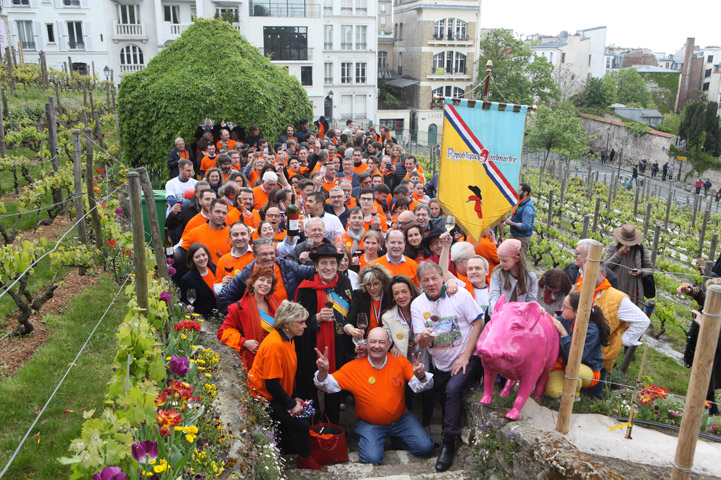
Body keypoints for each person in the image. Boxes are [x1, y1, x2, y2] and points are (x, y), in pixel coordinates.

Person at [314, 328, 433, 464]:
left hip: (401, 419)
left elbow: (420, 385)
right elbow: (326, 385)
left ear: (389, 344)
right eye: (373, 342)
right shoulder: (354, 367)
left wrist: (421, 375)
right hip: (370, 424)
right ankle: (371, 439)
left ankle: (398, 440)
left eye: (381, 342)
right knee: (371, 458)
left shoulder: (399, 361)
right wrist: (323, 372)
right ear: (366, 344)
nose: (377, 346)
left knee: (426, 447)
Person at [412, 262, 484, 472]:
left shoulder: (459, 295)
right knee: (440, 394)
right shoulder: (418, 304)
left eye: (434, 278)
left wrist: (465, 357)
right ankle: (447, 431)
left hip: (468, 357)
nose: (431, 283)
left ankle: (448, 444)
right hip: (440, 362)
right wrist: (424, 337)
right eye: (425, 280)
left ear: (442, 277)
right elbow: (421, 341)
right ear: (420, 283)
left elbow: (478, 323)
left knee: (453, 390)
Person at [246, 301, 323, 470]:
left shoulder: (289, 339)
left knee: (306, 412)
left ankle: (295, 450)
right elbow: (272, 383)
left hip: (275, 394)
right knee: (301, 422)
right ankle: (305, 459)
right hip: (263, 399)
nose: (304, 326)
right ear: (287, 324)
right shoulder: (275, 345)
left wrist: (294, 396)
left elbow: (287, 374)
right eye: (300, 322)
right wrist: (291, 404)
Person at [294, 244, 353, 424]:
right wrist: (316, 318)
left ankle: (333, 428)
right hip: (312, 346)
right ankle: (312, 429)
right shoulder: (306, 288)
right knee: (310, 390)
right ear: (316, 266)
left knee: (334, 389)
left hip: (338, 345)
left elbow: (350, 311)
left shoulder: (344, 282)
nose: (329, 267)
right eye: (324, 263)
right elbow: (296, 321)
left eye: (333, 263)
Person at [574, 260, 650, 379]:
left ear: (603, 275)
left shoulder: (617, 298)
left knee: (592, 392)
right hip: (574, 348)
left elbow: (643, 321)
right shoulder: (577, 288)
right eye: (585, 272)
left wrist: (621, 340)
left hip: (599, 356)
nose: (587, 276)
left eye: (593, 273)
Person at [382, 275, 435, 430]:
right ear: (392, 297)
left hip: (426, 355)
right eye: (396, 293)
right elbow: (385, 336)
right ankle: (408, 428)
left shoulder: (425, 308)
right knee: (405, 392)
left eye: (404, 291)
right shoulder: (388, 316)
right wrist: (391, 345)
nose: (401, 296)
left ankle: (427, 426)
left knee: (428, 389)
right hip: (403, 362)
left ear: (411, 292)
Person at [217, 237, 315, 311]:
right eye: (264, 254)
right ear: (254, 256)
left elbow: (310, 271)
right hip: (262, 327)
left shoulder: (285, 266)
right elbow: (223, 298)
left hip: (288, 323)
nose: (269, 257)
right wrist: (243, 315)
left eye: (271, 253)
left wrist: (325, 264)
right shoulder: (246, 273)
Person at [545, 291, 610, 399]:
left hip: (586, 369)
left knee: (574, 369)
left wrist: (564, 334)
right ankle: (565, 390)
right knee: (553, 392)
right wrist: (544, 315)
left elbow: (577, 357)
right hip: (563, 366)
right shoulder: (566, 318)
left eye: (565, 307)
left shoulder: (591, 330)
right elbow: (551, 326)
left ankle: (575, 395)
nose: (561, 310)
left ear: (577, 311)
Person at [217, 266, 281, 369]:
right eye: (261, 279)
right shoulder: (237, 308)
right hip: (254, 361)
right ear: (253, 282)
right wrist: (244, 342)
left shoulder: (274, 299)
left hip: (276, 356)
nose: (265, 284)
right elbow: (222, 333)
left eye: (269, 282)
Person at [679, 279, 721, 415]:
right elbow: (708, 300)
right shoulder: (716, 301)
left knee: (707, 379)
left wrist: (705, 325)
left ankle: (703, 413)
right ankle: (707, 412)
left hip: (716, 349)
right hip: (710, 346)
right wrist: (693, 292)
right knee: (704, 379)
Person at [604, 224, 653, 307]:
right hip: (615, 287)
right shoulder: (613, 247)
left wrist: (640, 272)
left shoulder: (640, 249)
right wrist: (618, 255)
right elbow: (605, 267)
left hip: (633, 289)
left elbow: (650, 269)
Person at [488, 239, 537, 312]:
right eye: (500, 260)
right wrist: (497, 310)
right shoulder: (498, 273)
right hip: (499, 315)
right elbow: (494, 295)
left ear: (516, 259)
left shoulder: (530, 277)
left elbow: (531, 299)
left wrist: (535, 307)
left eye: (504, 261)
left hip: (519, 316)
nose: (501, 263)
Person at [346, 264, 393, 336]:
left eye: (376, 284)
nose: (372, 288)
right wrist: (351, 330)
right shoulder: (359, 295)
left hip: (384, 340)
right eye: (368, 284)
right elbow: (349, 321)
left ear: (383, 283)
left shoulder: (389, 296)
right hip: (364, 340)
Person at [180, 200, 232, 264]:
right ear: (209, 212)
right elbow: (181, 253)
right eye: (217, 212)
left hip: (228, 272)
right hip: (203, 273)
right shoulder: (195, 233)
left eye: (224, 213)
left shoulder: (233, 234)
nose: (221, 215)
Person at [214, 222, 254, 295]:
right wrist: (222, 285)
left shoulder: (257, 253)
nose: (239, 238)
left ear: (249, 236)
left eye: (243, 234)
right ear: (230, 238)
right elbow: (216, 289)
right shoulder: (223, 260)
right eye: (235, 235)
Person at [180, 243, 218, 317]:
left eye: (203, 255)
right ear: (192, 260)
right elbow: (185, 300)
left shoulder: (214, 267)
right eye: (197, 257)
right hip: (205, 318)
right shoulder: (187, 279)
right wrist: (188, 306)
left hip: (222, 313)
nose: (202, 258)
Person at [503, 183, 535, 252]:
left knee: (520, 260)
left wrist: (511, 222)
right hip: (516, 235)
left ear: (525, 193)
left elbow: (526, 226)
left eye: (519, 191)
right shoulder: (520, 203)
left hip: (521, 238)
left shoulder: (527, 207)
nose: (517, 192)